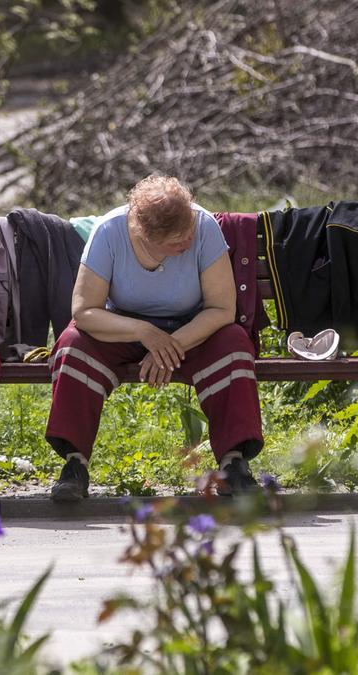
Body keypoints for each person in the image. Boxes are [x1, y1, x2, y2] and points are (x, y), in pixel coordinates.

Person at [44, 175, 264, 501]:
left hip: (192, 327)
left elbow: (221, 309)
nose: (189, 241)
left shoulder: (204, 226)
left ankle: (234, 462)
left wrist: (168, 346)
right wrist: (144, 333)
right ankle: (74, 465)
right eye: (178, 241)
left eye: (190, 232)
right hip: (123, 327)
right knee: (74, 346)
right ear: (145, 236)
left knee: (233, 342)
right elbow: (85, 312)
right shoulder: (109, 232)